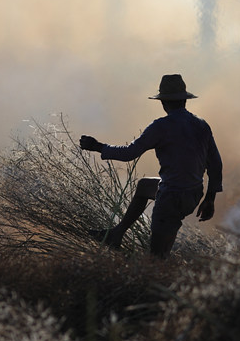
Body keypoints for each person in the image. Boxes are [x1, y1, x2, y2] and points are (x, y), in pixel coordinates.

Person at [80, 74, 223, 258]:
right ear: (184, 100)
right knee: (144, 186)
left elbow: (129, 154)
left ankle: (157, 280)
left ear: (163, 102)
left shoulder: (161, 126)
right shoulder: (201, 125)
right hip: (194, 194)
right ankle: (117, 233)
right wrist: (210, 199)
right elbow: (216, 164)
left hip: (171, 198)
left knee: (157, 259)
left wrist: (97, 146)